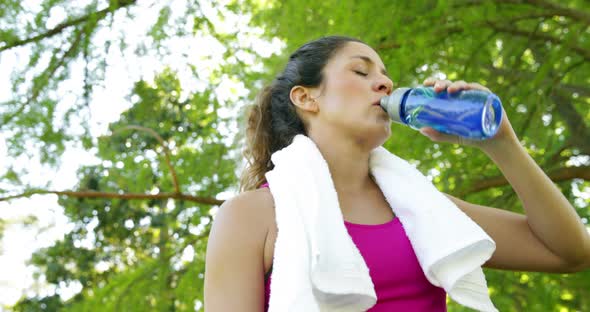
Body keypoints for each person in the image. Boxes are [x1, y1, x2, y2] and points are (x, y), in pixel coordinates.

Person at [204, 36, 590, 311]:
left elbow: (568, 252)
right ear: (307, 97)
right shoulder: (249, 217)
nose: (386, 82)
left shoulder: (423, 208)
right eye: (360, 70)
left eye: (385, 75)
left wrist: (502, 143)